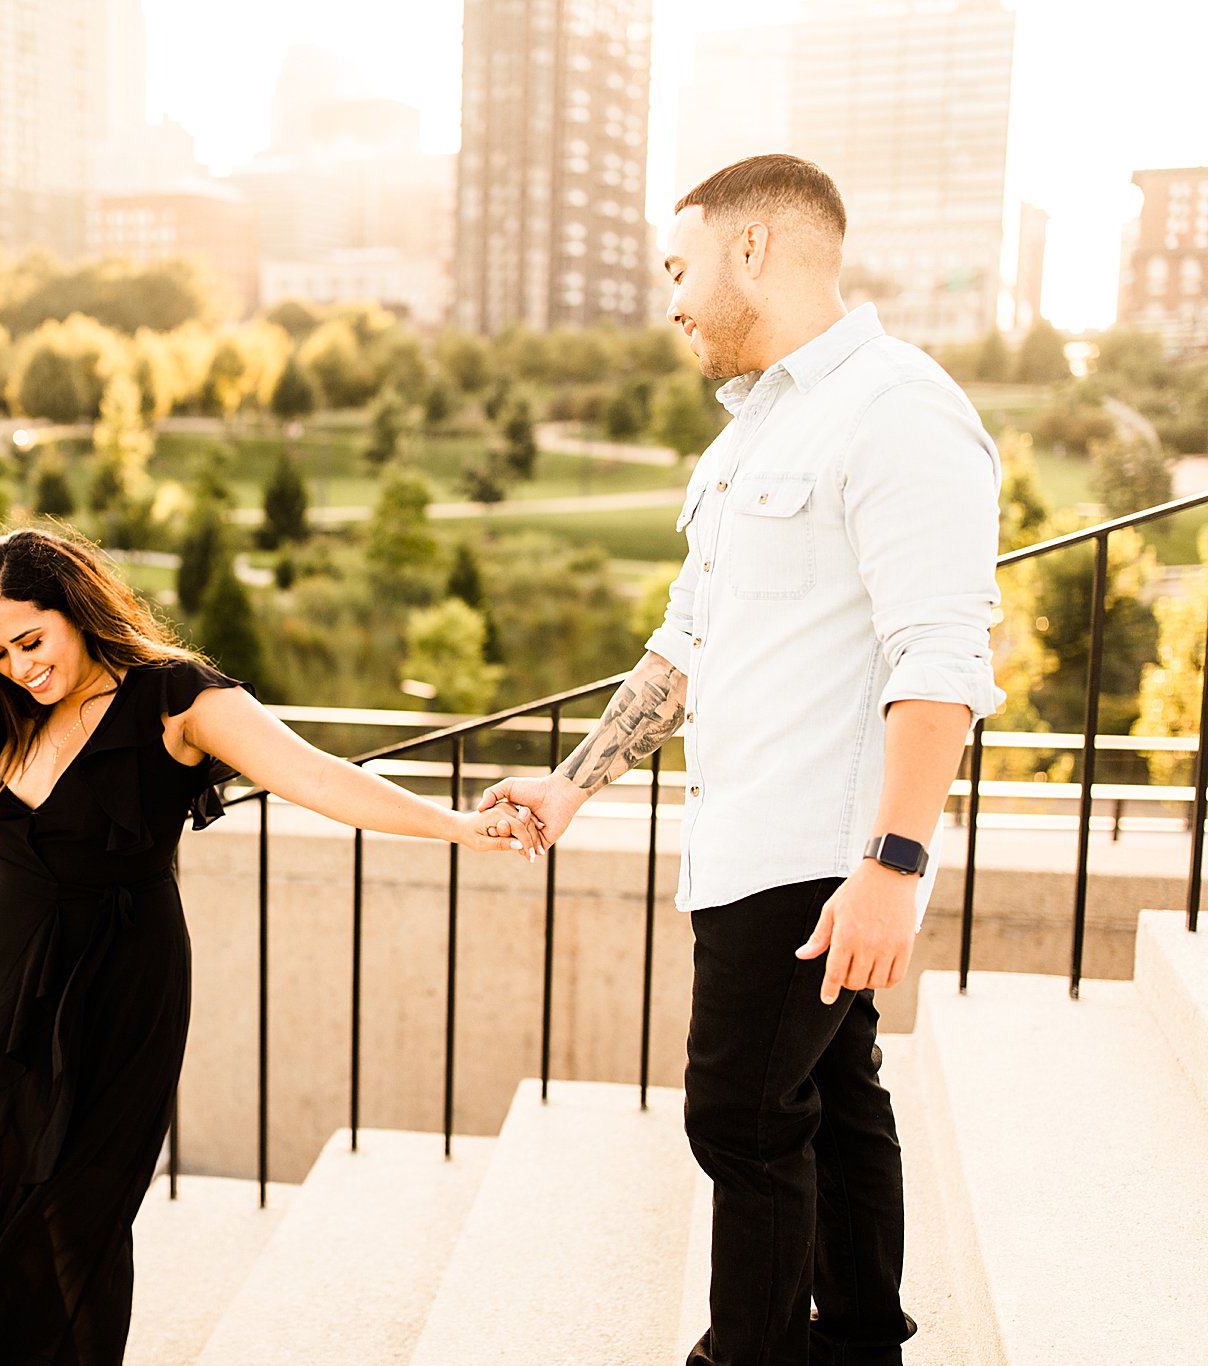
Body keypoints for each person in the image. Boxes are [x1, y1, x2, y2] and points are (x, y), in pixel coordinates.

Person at [481, 154, 1004, 1366]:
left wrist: (890, 862)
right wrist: (571, 782)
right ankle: (860, 1334)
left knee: (741, 1121)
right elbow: (686, 642)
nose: (670, 301)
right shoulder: (757, 428)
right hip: (752, 840)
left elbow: (939, 660)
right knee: (836, 1103)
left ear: (752, 249)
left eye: (679, 267)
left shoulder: (899, 410)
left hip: (812, 855)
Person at [0, 527, 536, 1365]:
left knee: (72, 1214)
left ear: (76, 610)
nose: (18, 667)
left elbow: (319, 775)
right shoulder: (12, 712)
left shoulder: (174, 699)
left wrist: (458, 828)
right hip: (0, 984)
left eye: (31, 641)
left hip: (115, 990)